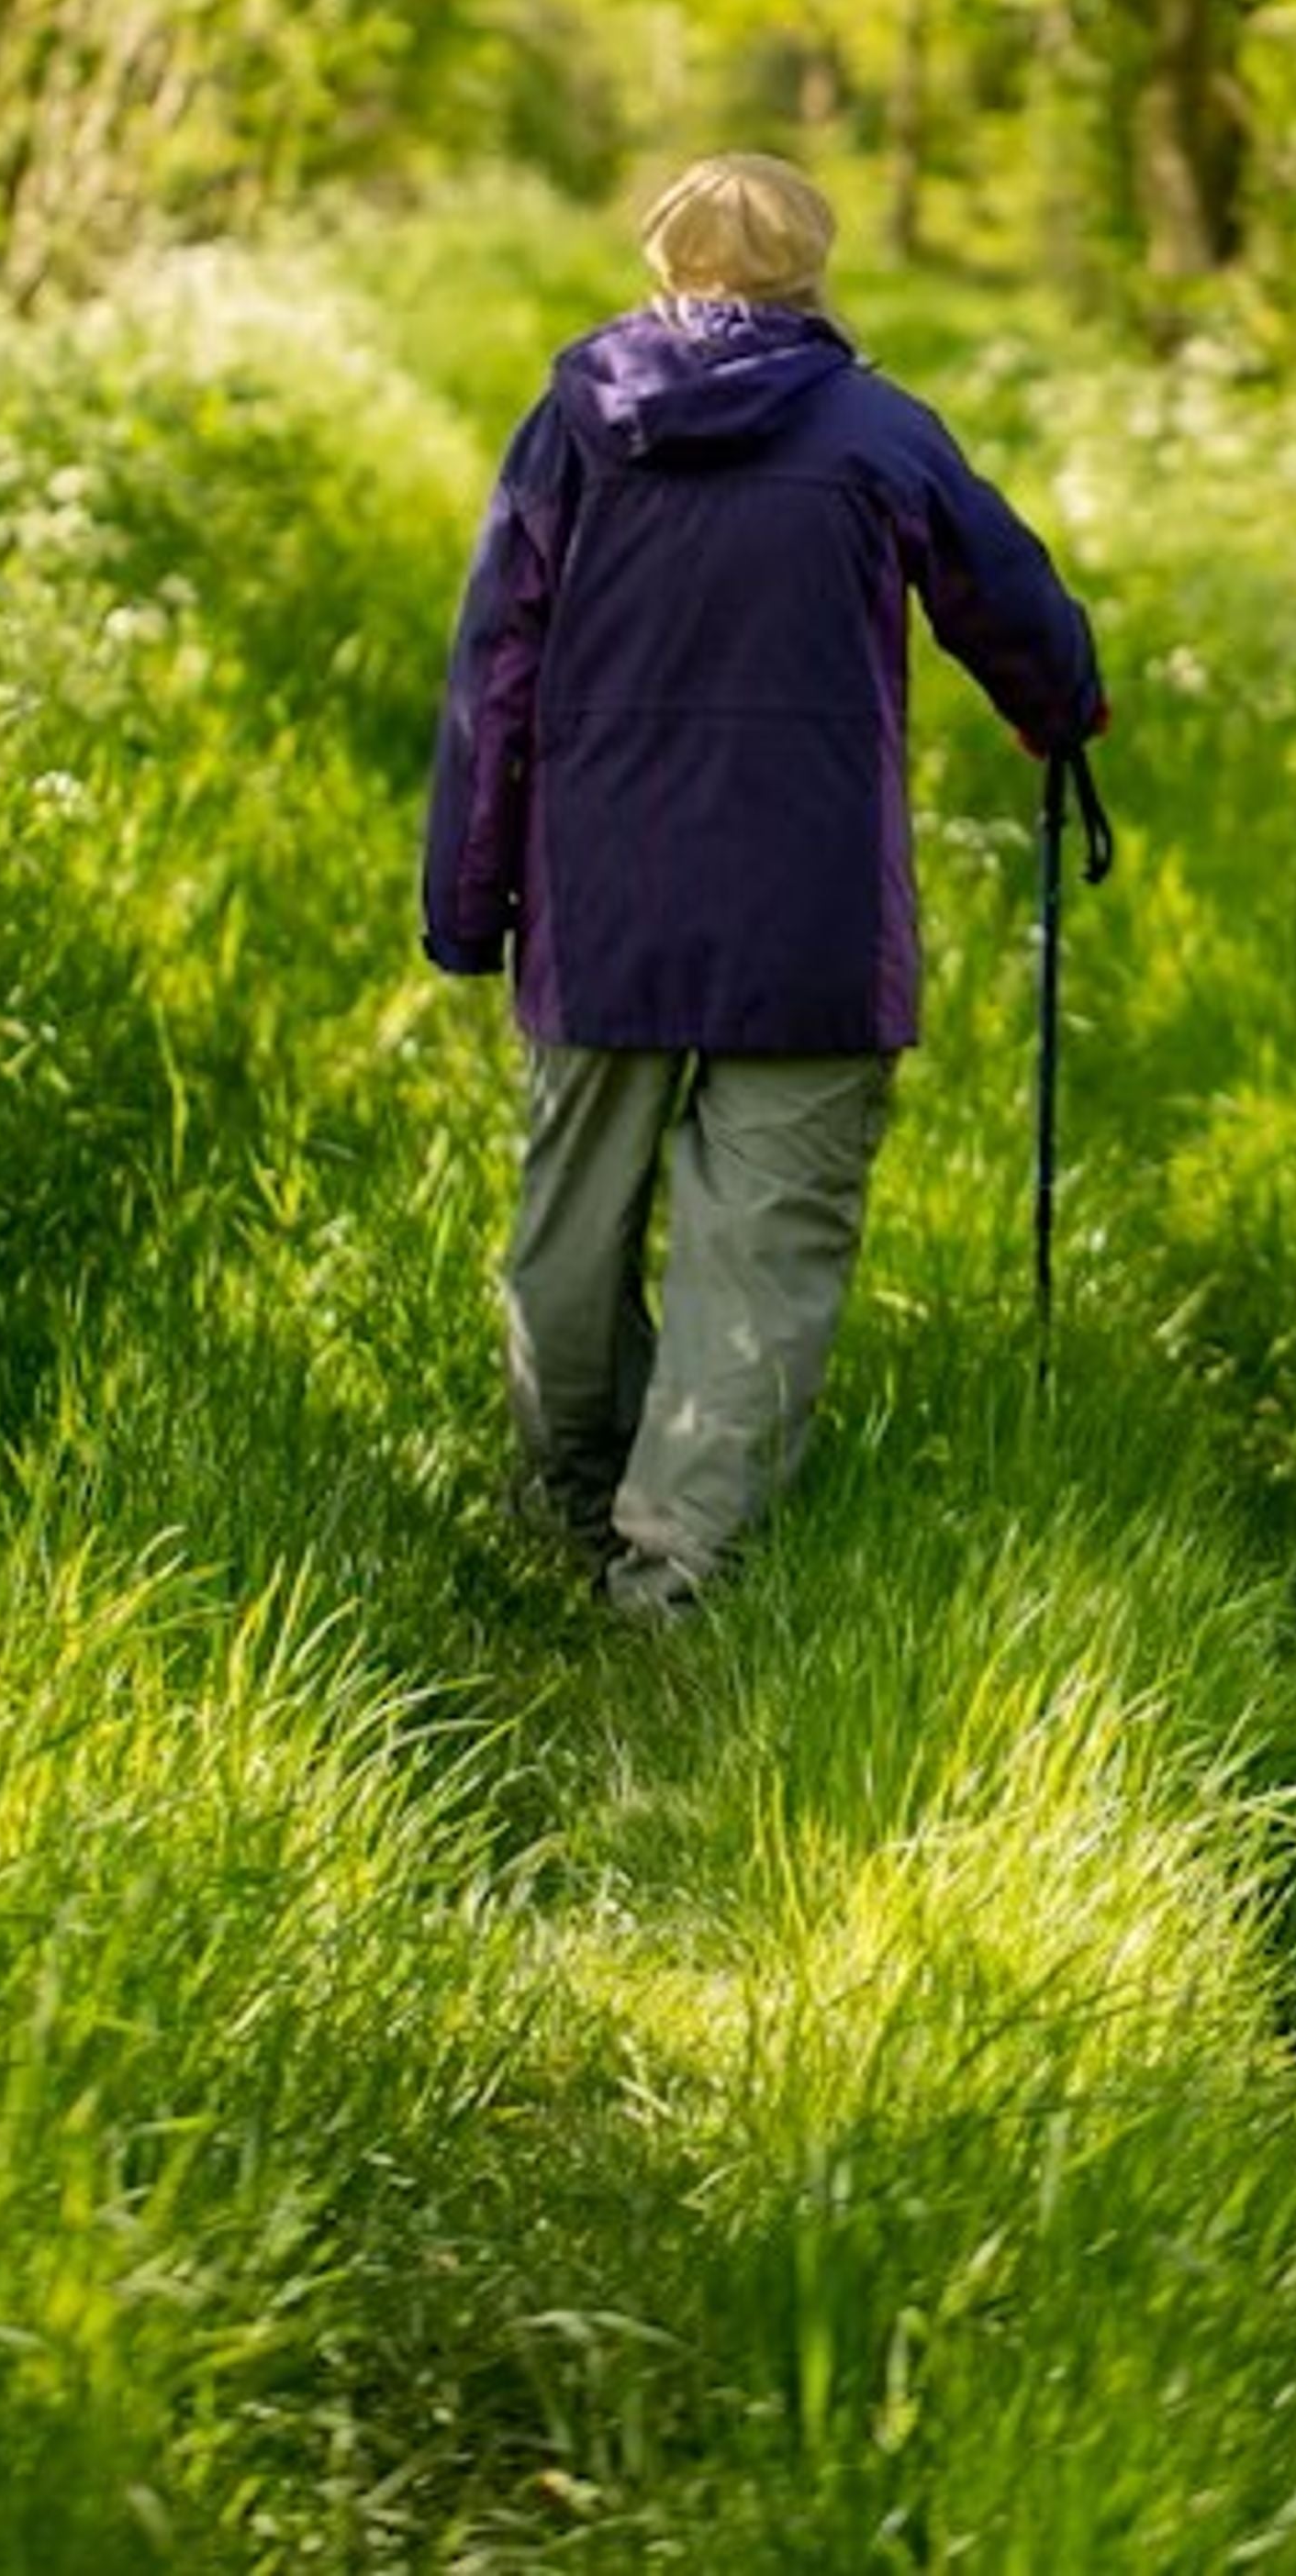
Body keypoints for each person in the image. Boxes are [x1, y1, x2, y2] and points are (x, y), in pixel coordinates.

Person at [420, 150, 1105, 1620]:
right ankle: (673, 1571)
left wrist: (466, 904)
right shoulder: (877, 430)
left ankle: (569, 1508)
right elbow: (1012, 603)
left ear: (661, 264)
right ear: (811, 272)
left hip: (600, 902)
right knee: (764, 1252)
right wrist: (1060, 706)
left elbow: (495, 668)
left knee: (567, 1231)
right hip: (811, 911)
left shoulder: (569, 427)